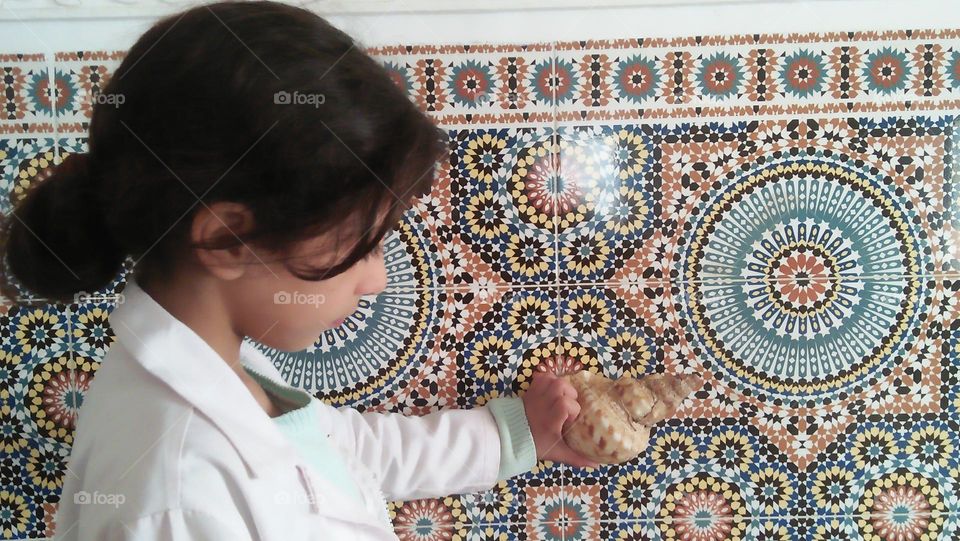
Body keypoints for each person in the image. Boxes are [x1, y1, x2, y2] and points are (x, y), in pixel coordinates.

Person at [0, 1, 598, 539]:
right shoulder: (175, 501)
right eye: (361, 247)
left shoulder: (227, 370)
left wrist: (512, 436)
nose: (377, 280)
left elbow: (340, 453)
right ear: (229, 239)